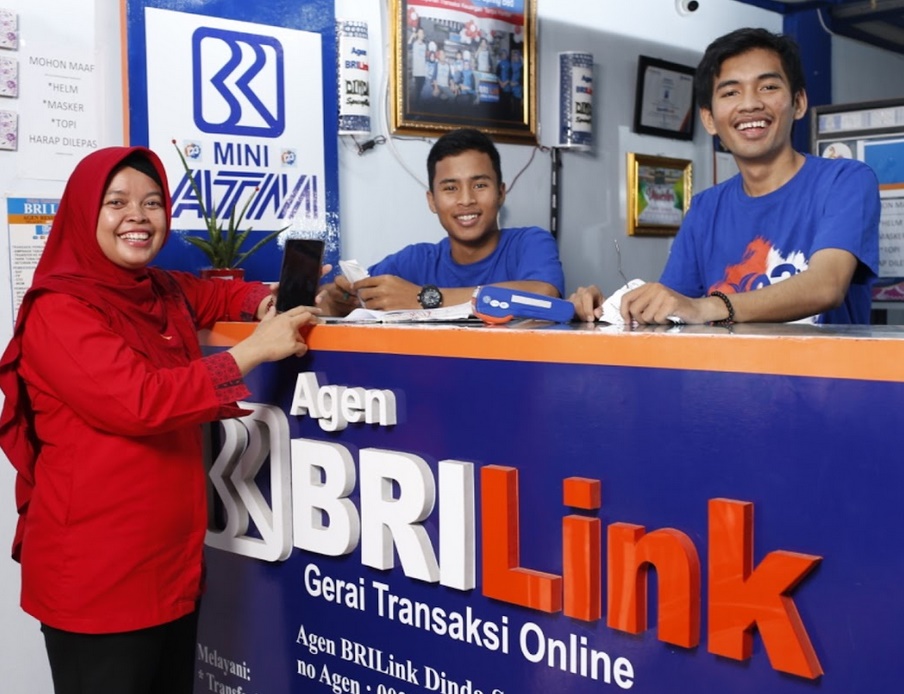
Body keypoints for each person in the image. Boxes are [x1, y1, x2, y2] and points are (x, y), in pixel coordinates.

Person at [0, 146, 319, 694]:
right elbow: (140, 400)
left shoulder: (160, 288)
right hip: (98, 579)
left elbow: (218, 292)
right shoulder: (60, 309)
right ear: (83, 213)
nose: (139, 216)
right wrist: (254, 350)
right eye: (117, 202)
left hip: (170, 570)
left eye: (152, 202)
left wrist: (262, 302)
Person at [572, 28, 879, 325]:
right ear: (709, 119)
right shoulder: (705, 209)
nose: (750, 104)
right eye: (731, 92)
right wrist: (610, 312)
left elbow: (826, 286)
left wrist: (709, 307)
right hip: (726, 365)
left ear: (798, 103)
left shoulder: (845, 181)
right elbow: (676, 308)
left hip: (824, 365)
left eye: (768, 87)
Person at [318, 128, 564, 315]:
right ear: (432, 201)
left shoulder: (529, 243)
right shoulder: (414, 261)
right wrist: (339, 300)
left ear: (501, 193)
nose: (466, 200)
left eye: (480, 185)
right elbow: (344, 296)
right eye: (450, 188)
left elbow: (545, 296)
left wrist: (423, 298)